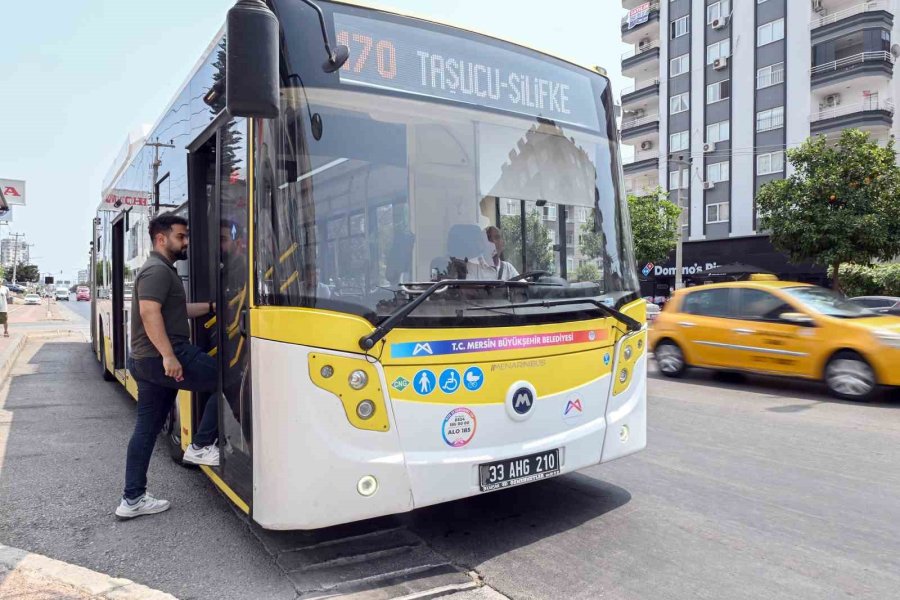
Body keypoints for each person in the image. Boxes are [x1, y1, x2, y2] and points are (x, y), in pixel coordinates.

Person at [116, 213, 219, 520]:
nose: (186, 242)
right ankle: (201, 445)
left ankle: (132, 499)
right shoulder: (156, 271)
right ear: (161, 239)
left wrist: (212, 308)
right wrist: (169, 356)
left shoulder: (161, 270)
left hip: (146, 361)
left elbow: (175, 309)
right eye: (180, 236)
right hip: (165, 355)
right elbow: (149, 313)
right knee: (228, 379)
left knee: (146, 430)